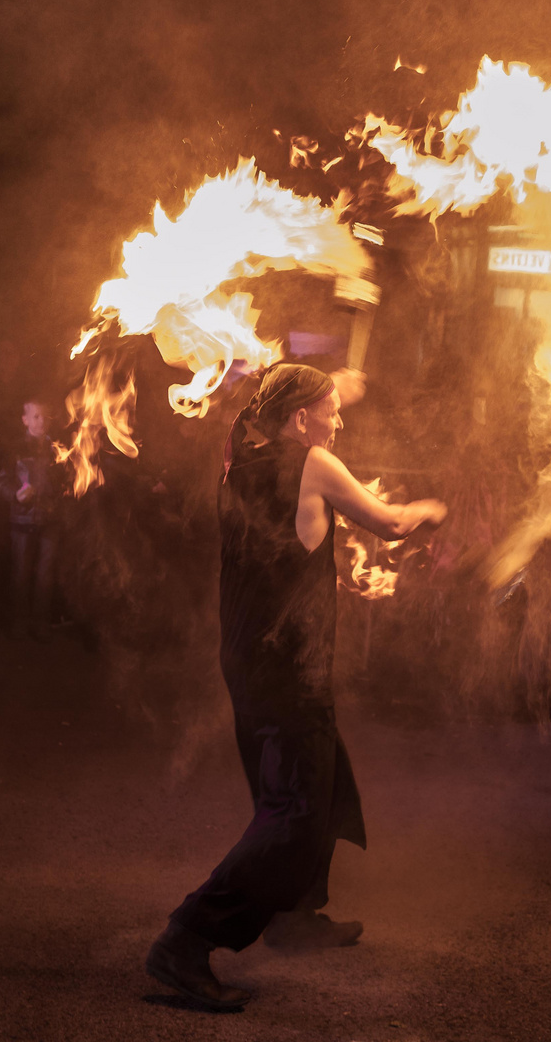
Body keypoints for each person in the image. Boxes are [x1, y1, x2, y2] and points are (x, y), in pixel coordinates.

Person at [144, 363, 447, 1011]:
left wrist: (329, 382)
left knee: (322, 780)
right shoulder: (315, 462)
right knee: (295, 812)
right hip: (288, 664)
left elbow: (264, 405)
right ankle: (188, 938)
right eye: (331, 411)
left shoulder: (237, 453)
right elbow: (390, 525)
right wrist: (428, 507)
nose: (340, 422)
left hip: (250, 652)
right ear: (301, 418)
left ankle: (295, 914)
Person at [0, 398, 64, 640]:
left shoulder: (58, 448)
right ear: (25, 420)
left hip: (50, 520)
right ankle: (19, 622)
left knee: (45, 574)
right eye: (35, 416)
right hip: (22, 521)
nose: (41, 421)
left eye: (45, 416)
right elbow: (3, 481)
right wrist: (15, 495)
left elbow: (67, 483)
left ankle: (41, 623)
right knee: (21, 572)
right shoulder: (15, 449)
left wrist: (53, 496)